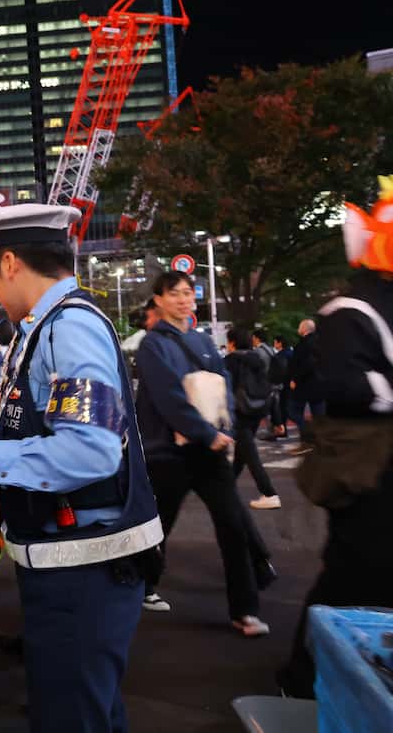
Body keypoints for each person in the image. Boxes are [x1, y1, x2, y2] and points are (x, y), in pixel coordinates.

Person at [0, 204, 162, 733]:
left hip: (85, 568)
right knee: (90, 709)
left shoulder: (69, 327)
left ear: (11, 263)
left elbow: (91, 449)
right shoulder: (42, 327)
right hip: (68, 561)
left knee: (71, 715)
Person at [277, 185, 393, 698]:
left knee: (362, 574)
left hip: (375, 461)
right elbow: (344, 384)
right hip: (368, 465)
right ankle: (303, 682)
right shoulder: (351, 308)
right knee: (354, 572)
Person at [134, 271, 270, 636]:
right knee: (156, 527)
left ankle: (245, 610)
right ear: (159, 300)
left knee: (233, 525)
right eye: (174, 294)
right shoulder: (152, 345)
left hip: (209, 452)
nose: (183, 299)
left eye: (188, 293)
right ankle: (139, 588)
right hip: (169, 452)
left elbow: (223, 386)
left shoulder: (203, 340)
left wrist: (222, 430)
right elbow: (168, 398)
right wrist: (207, 433)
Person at [225, 329, 281, 509]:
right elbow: (269, 388)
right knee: (242, 454)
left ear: (232, 342)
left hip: (239, 412)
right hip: (257, 410)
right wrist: (277, 419)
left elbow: (224, 389)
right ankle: (226, 486)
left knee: (250, 454)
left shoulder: (230, 361)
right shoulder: (257, 359)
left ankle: (269, 493)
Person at [287, 319, 323, 455]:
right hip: (319, 385)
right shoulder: (321, 342)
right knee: (319, 416)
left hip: (304, 385)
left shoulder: (304, 344)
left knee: (293, 411)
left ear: (304, 329)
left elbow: (307, 364)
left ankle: (308, 438)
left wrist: (295, 379)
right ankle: (318, 443)